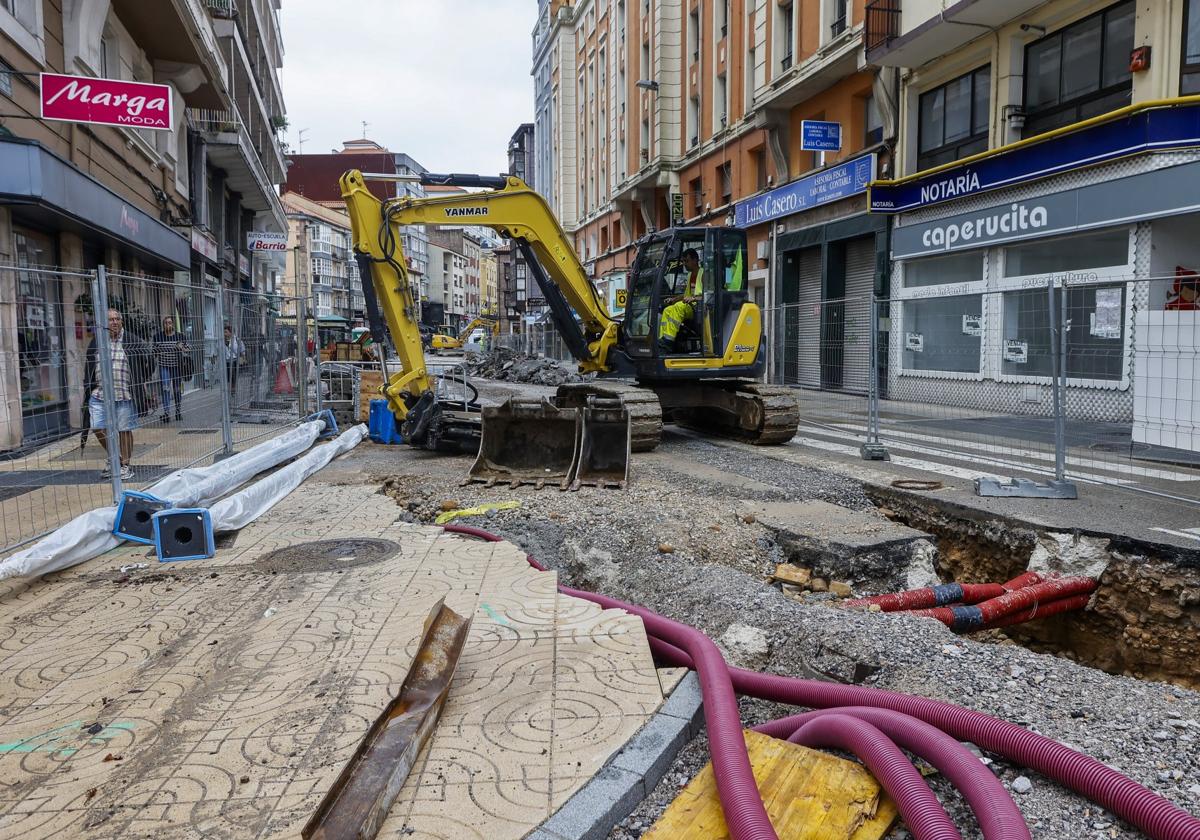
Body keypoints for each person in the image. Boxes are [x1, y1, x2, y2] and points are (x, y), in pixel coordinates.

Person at [85, 309, 153, 480]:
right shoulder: (97, 341)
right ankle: (115, 457)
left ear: (122, 321)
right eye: (110, 320)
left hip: (124, 392)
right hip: (100, 394)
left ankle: (125, 465)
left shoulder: (132, 340)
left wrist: (140, 378)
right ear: (105, 323)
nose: (114, 322)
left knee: (124, 429)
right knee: (97, 426)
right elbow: (89, 365)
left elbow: (150, 361)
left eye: (117, 319)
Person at [657, 247, 705, 354]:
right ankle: (663, 339)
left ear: (695, 260)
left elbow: (709, 295)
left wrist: (694, 298)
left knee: (678, 308)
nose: (684, 264)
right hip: (690, 306)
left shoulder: (703, 274)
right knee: (667, 310)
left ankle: (668, 342)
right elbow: (686, 295)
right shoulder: (690, 275)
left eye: (686, 261)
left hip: (699, 308)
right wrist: (674, 299)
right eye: (683, 261)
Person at [154, 316, 189, 423]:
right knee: (165, 388)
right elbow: (154, 351)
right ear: (163, 325)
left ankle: (178, 412)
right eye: (165, 323)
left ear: (173, 324)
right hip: (164, 366)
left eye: (169, 323)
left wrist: (181, 347)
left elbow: (188, 349)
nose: (168, 325)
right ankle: (166, 413)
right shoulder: (158, 336)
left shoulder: (180, 336)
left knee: (177, 389)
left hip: (177, 367)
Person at [224, 324, 244, 397]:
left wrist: (243, 358)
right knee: (227, 377)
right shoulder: (222, 340)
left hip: (234, 361)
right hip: (226, 361)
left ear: (231, 332)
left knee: (233, 377)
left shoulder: (237, 340)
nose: (224, 334)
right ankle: (228, 391)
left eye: (226, 332)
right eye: (224, 332)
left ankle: (233, 391)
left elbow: (242, 350)